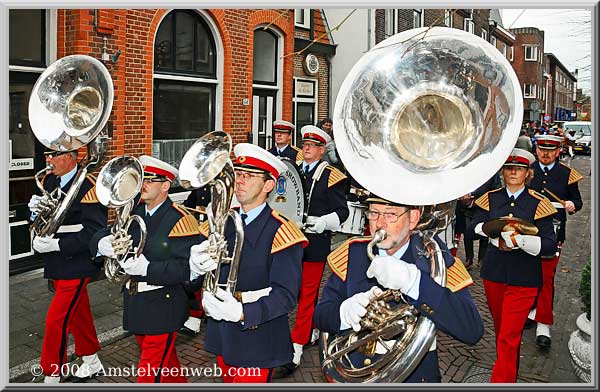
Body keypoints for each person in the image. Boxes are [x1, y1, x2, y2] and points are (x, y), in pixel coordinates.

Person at [313, 194, 483, 382]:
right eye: (374, 213)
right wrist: (343, 313)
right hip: (356, 373)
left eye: (390, 214)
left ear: (413, 219)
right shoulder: (352, 253)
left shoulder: (437, 261)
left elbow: (471, 329)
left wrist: (415, 283)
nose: (380, 223)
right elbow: (321, 316)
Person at [191, 143, 307, 383]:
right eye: (238, 174)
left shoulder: (282, 232)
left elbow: (285, 296)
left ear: (268, 186)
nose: (240, 181)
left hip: (257, 334)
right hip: (222, 329)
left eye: (249, 176)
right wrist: (193, 268)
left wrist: (243, 312)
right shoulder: (221, 222)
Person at [93, 155, 201, 383]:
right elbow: (106, 232)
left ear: (165, 185)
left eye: (150, 180)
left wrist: (148, 268)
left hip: (164, 303)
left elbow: (188, 270)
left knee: (149, 372)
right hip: (136, 301)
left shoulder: (181, 219)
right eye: (142, 179)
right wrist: (102, 244)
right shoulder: (133, 212)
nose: (143, 185)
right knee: (167, 365)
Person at [469, 148, 557, 382]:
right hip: (494, 275)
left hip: (525, 278)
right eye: (509, 168)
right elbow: (472, 228)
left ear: (528, 173)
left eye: (519, 168)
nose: (513, 172)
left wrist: (523, 241)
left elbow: (550, 244)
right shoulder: (491, 198)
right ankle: (510, 374)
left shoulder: (539, 203)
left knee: (509, 336)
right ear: (503, 171)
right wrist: (490, 232)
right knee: (503, 334)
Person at [27, 150, 108, 383]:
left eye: (54, 156)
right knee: (78, 314)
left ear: (70, 157)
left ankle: (52, 373)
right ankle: (92, 360)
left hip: (77, 261)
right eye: (47, 156)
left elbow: (94, 231)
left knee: (57, 319)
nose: (48, 161)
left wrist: (57, 244)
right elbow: (39, 219)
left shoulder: (89, 185)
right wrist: (33, 213)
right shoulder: (48, 180)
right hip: (56, 260)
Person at [284, 125, 350, 371]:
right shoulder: (292, 172)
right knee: (293, 290)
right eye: (305, 144)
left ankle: (297, 346)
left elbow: (342, 212)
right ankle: (310, 329)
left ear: (322, 150)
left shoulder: (331, 175)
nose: (306, 149)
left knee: (308, 293)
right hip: (291, 241)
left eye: (312, 146)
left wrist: (324, 222)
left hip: (315, 243)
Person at [525, 134, 583, 347]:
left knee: (546, 277)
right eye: (542, 149)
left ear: (558, 151)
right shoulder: (527, 170)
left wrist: (571, 204)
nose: (545, 154)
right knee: (528, 273)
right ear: (537, 149)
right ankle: (531, 310)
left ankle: (543, 324)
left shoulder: (567, 174)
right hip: (528, 231)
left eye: (550, 150)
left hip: (553, 232)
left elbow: (578, 202)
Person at [179, 186, 212, 336]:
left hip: (215, 234)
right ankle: (195, 315)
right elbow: (189, 203)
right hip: (199, 233)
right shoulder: (201, 186)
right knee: (195, 275)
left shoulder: (224, 186)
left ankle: (202, 312)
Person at [454, 171, 502, 269]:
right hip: (467, 206)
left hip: (484, 206)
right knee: (467, 232)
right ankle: (469, 258)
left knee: (484, 232)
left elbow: (497, 188)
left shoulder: (492, 170)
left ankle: (482, 259)